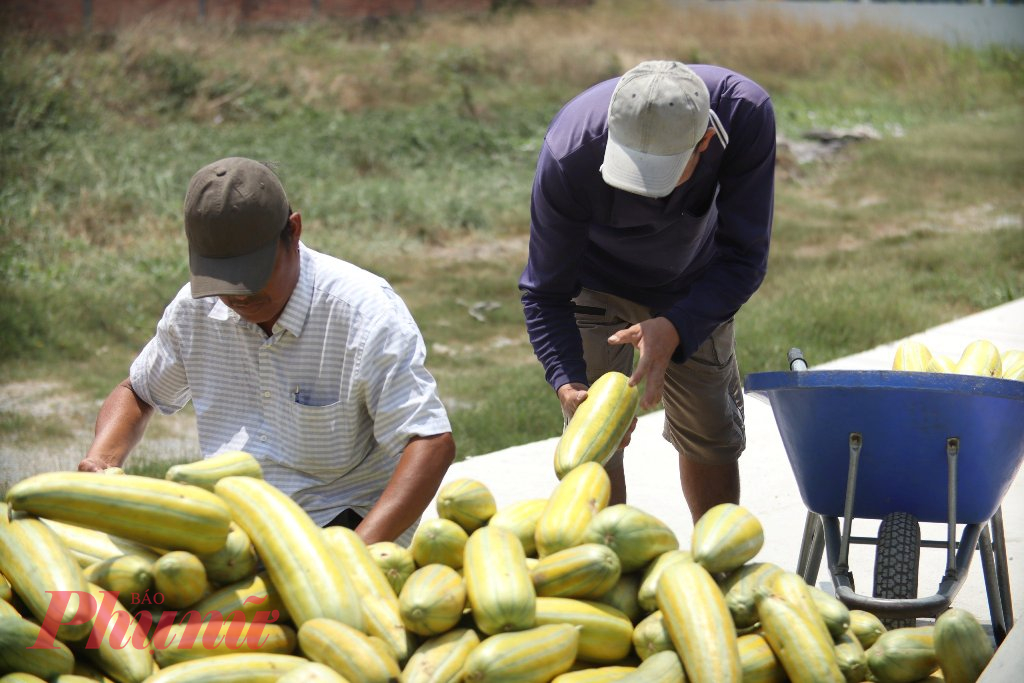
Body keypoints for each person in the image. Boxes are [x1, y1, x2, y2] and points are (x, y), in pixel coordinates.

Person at [79, 156, 456, 545]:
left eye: (252, 278)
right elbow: (138, 392)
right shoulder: (194, 310)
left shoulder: (364, 313)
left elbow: (429, 443)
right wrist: (101, 461)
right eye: (222, 282)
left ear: (292, 231)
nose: (237, 296)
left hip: (340, 524)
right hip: (232, 525)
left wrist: (355, 554)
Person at [519, 61, 776, 523]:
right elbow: (544, 291)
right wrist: (566, 381)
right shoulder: (570, 151)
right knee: (595, 444)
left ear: (705, 141)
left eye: (660, 173)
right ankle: (608, 574)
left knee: (711, 432)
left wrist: (678, 326)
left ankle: (713, 569)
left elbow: (744, 257)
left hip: (696, 284)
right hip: (594, 285)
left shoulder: (744, 113)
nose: (643, 194)